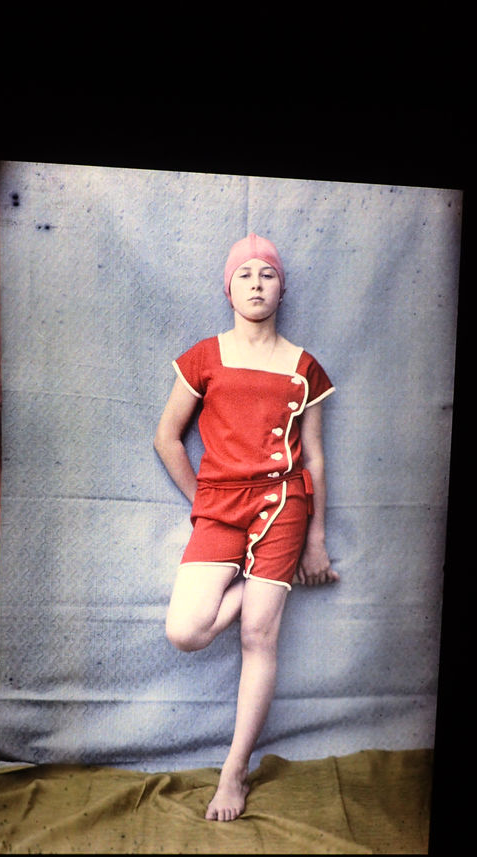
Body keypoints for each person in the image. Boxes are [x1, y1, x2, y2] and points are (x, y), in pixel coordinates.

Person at [153, 233, 339, 822]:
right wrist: (202, 501)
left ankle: (234, 772)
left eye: (268, 274)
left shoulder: (305, 367)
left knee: (260, 635)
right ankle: (254, 588)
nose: (257, 284)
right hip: (220, 507)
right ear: (227, 288)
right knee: (186, 630)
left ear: (282, 288)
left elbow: (314, 458)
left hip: (284, 505)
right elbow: (167, 438)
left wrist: (315, 539)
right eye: (245, 275)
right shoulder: (204, 356)